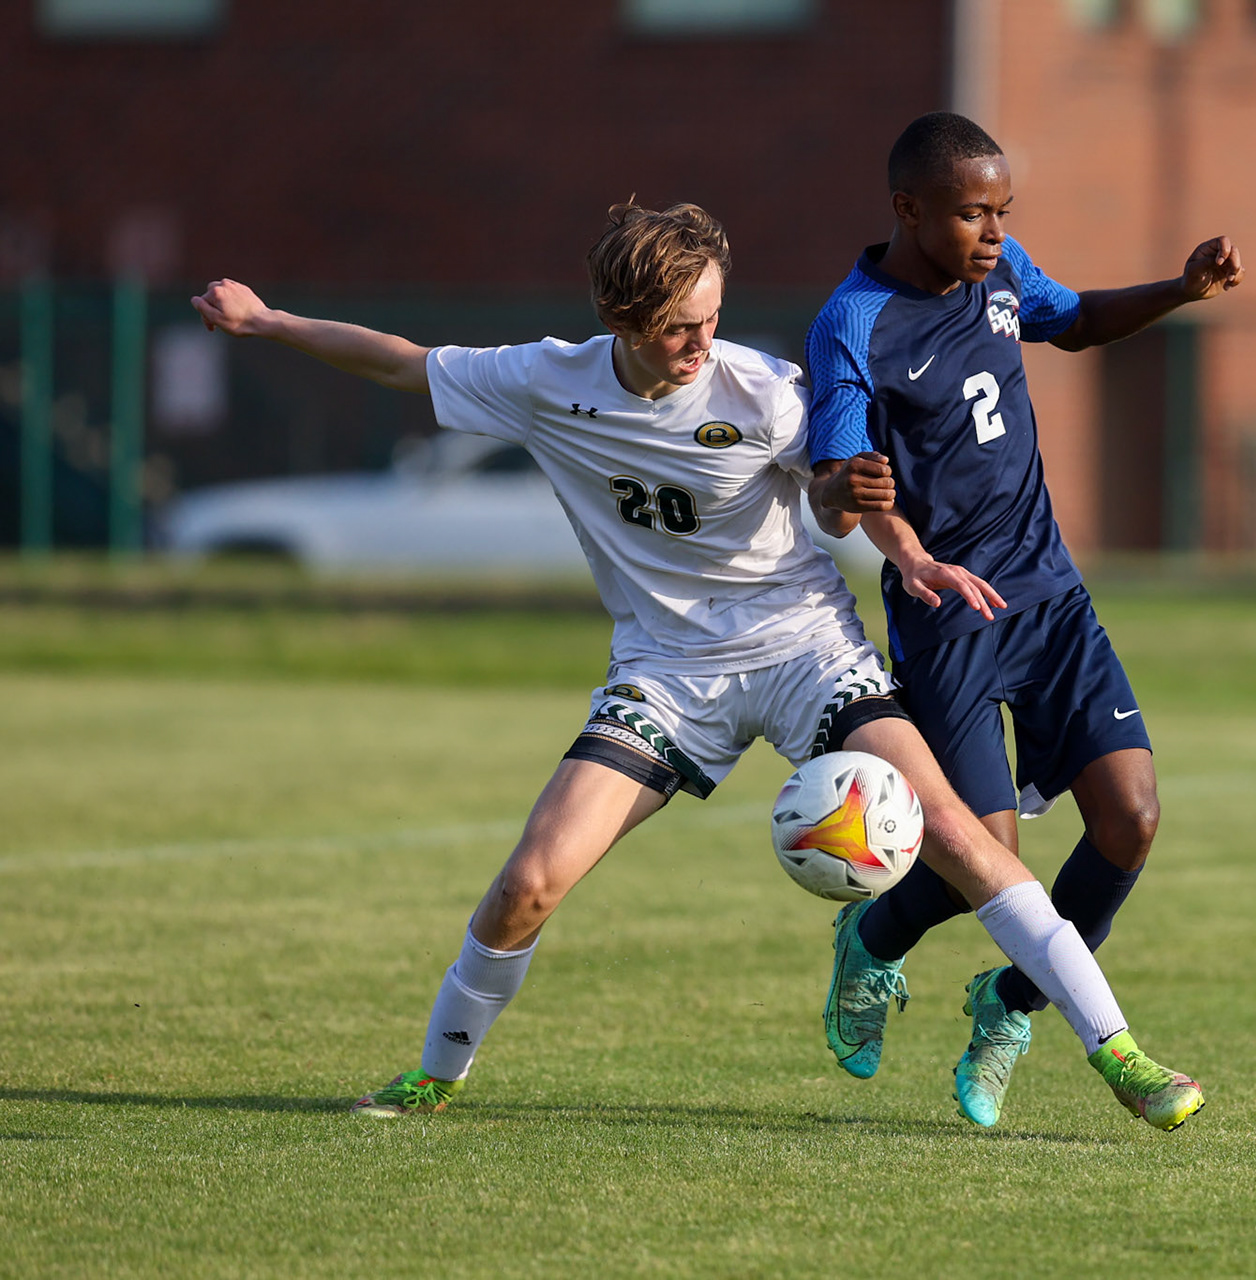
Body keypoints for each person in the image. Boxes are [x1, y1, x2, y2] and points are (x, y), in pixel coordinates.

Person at [189, 201, 1205, 1130]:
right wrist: (270, 324)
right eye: (678, 327)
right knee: (528, 883)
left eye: (709, 319)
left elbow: (835, 494)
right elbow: (404, 361)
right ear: (619, 317)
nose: (699, 344)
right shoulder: (546, 380)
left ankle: (1118, 1052)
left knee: (957, 832)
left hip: (808, 648)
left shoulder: (761, 390)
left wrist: (900, 544)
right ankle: (433, 1076)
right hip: (668, 674)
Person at [807, 113, 1243, 1127]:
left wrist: (1181, 290)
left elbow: (1078, 321)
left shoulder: (1001, 275)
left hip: (1049, 594)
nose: (994, 232)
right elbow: (838, 474)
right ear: (909, 209)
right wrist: (891, 533)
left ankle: (1011, 1002)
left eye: (1003, 211)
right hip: (947, 618)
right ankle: (873, 939)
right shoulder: (853, 320)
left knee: (1131, 818)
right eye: (971, 213)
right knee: (980, 861)